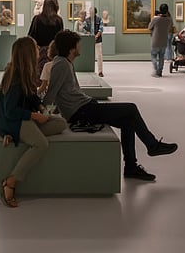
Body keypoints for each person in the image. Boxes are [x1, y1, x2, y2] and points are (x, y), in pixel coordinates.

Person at [43, 30, 177, 181]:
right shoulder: (61, 64)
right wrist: (42, 113)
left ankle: (131, 167)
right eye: (78, 45)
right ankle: (152, 145)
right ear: (71, 48)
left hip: (84, 108)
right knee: (131, 108)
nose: (80, 48)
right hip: (81, 112)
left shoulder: (65, 62)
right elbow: (51, 93)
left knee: (128, 122)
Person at [0, 37, 68, 207]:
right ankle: (11, 181)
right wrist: (36, 116)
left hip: (24, 118)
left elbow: (32, 96)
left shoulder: (24, 73)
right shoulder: (13, 77)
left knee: (61, 123)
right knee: (41, 144)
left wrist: (42, 108)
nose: (39, 51)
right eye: (35, 48)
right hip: (13, 120)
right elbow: (10, 111)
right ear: (28, 53)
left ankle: (20, 136)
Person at [28, 0, 63, 72]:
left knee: (39, 74)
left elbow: (31, 36)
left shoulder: (37, 19)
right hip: (53, 52)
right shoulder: (58, 20)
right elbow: (60, 39)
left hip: (39, 52)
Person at [148, 3, 174, 77]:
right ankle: (160, 71)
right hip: (164, 40)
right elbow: (170, 27)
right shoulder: (169, 20)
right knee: (162, 57)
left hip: (155, 40)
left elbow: (150, 27)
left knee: (153, 56)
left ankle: (156, 70)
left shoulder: (156, 19)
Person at [89, 7, 104, 77]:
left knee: (99, 56)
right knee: (88, 56)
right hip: (88, 40)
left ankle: (100, 71)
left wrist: (96, 36)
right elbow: (84, 28)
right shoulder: (87, 20)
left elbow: (101, 29)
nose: (90, 13)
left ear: (95, 12)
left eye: (92, 12)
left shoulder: (99, 19)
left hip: (97, 40)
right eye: (90, 12)